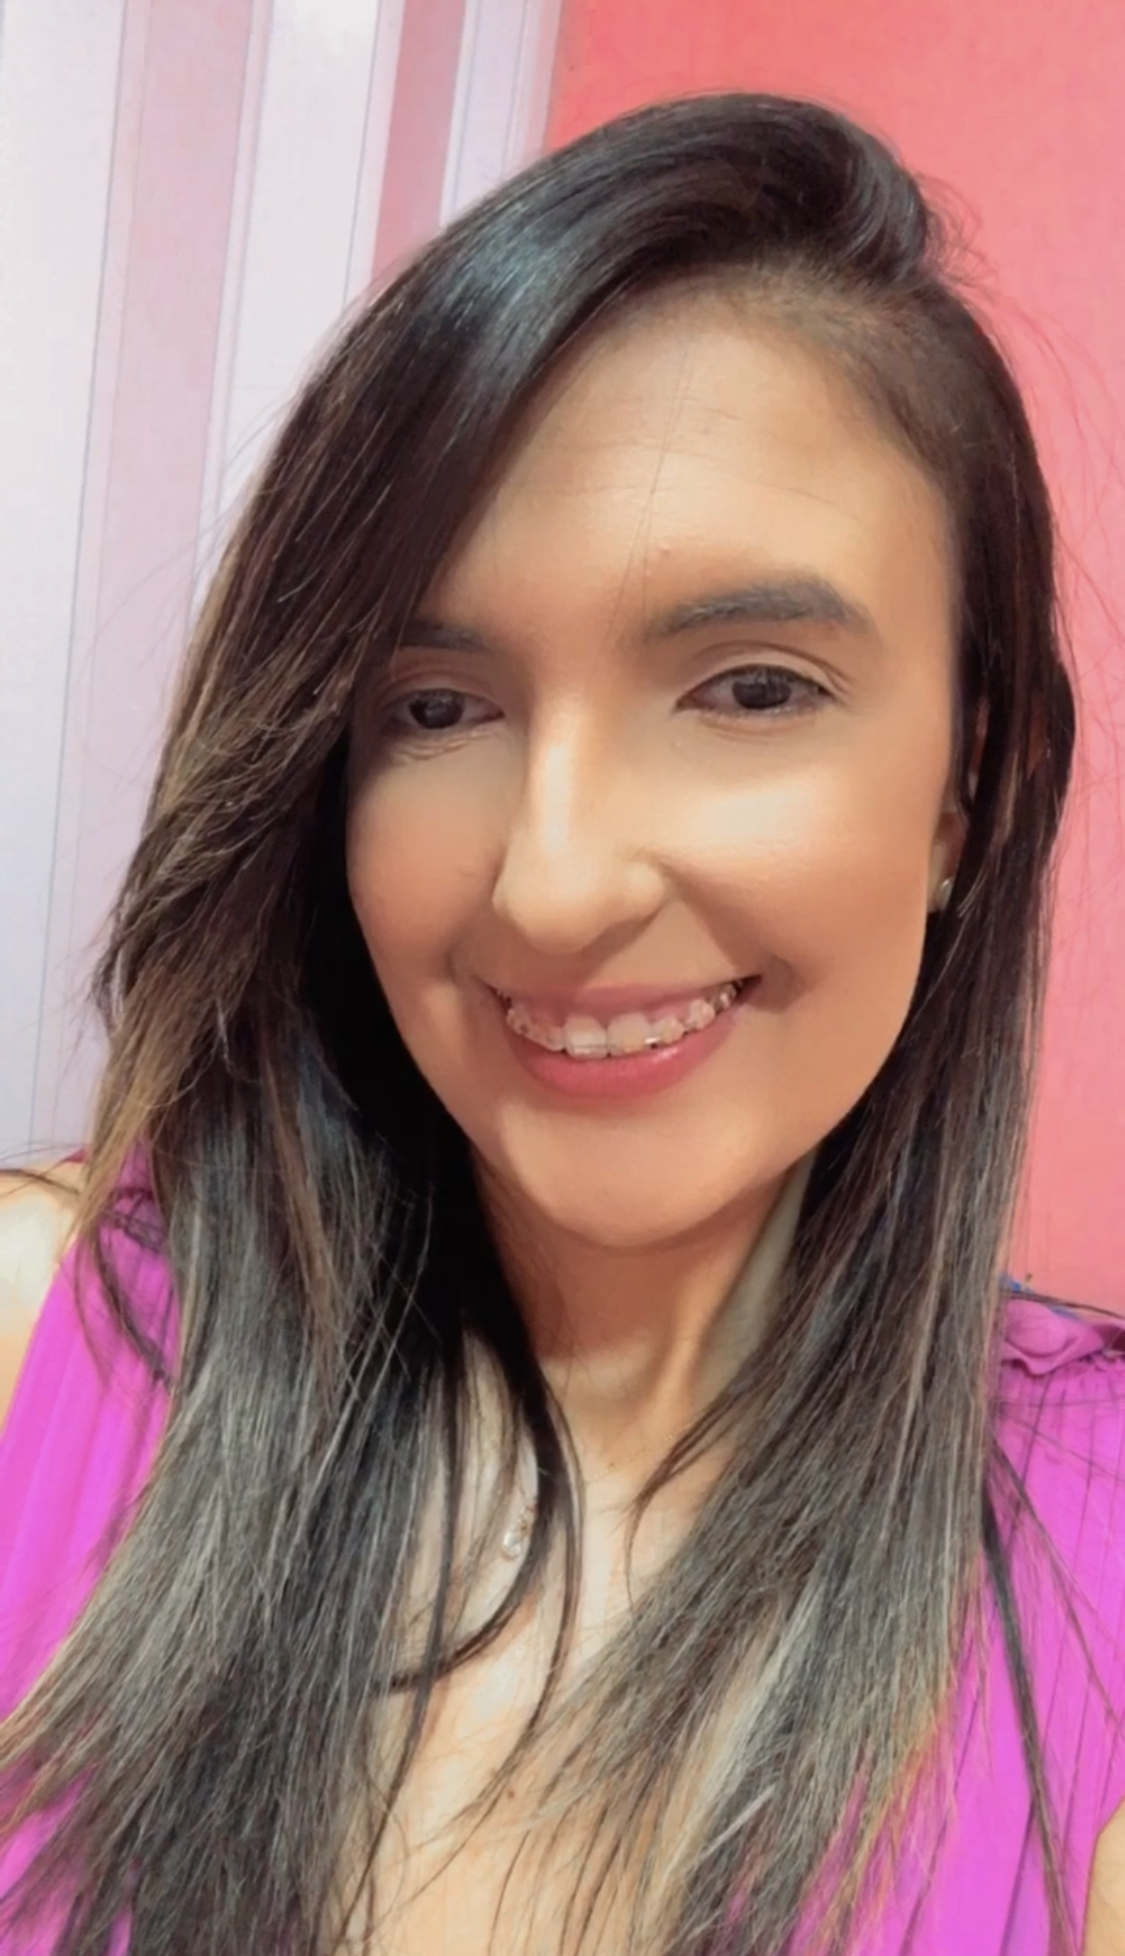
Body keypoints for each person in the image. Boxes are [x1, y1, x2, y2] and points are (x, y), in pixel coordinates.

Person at [1, 90, 1122, 1956]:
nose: (553, 885)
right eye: (436, 709)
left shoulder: (1092, 1553)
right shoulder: (48, 1343)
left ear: (966, 788)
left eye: (750, 687)